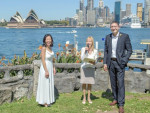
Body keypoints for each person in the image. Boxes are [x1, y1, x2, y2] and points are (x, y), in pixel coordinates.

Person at [103, 21, 132, 113]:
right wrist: (105, 63)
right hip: (110, 62)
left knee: (120, 83)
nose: (113, 28)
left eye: (115, 26)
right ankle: (115, 99)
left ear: (118, 27)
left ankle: (121, 104)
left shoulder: (124, 36)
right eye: (111, 26)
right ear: (110, 28)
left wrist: (124, 61)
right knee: (113, 83)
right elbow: (106, 51)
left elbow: (129, 50)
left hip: (120, 63)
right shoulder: (108, 37)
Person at [36, 34, 56, 107]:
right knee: (45, 83)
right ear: (44, 40)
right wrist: (46, 71)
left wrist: (53, 68)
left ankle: (48, 100)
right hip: (45, 67)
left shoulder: (50, 48)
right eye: (47, 39)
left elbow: (52, 59)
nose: (48, 40)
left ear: (51, 40)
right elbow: (43, 60)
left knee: (49, 83)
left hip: (50, 66)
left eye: (49, 39)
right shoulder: (43, 48)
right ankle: (44, 102)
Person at [80, 36, 98, 104]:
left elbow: (95, 61)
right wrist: (85, 51)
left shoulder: (95, 50)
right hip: (84, 68)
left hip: (91, 68)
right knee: (84, 83)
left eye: (90, 41)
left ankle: (89, 97)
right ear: (86, 42)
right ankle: (84, 97)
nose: (88, 42)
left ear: (92, 42)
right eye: (87, 41)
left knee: (90, 84)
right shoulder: (83, 49)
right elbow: (82, 58)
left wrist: (93, 61)